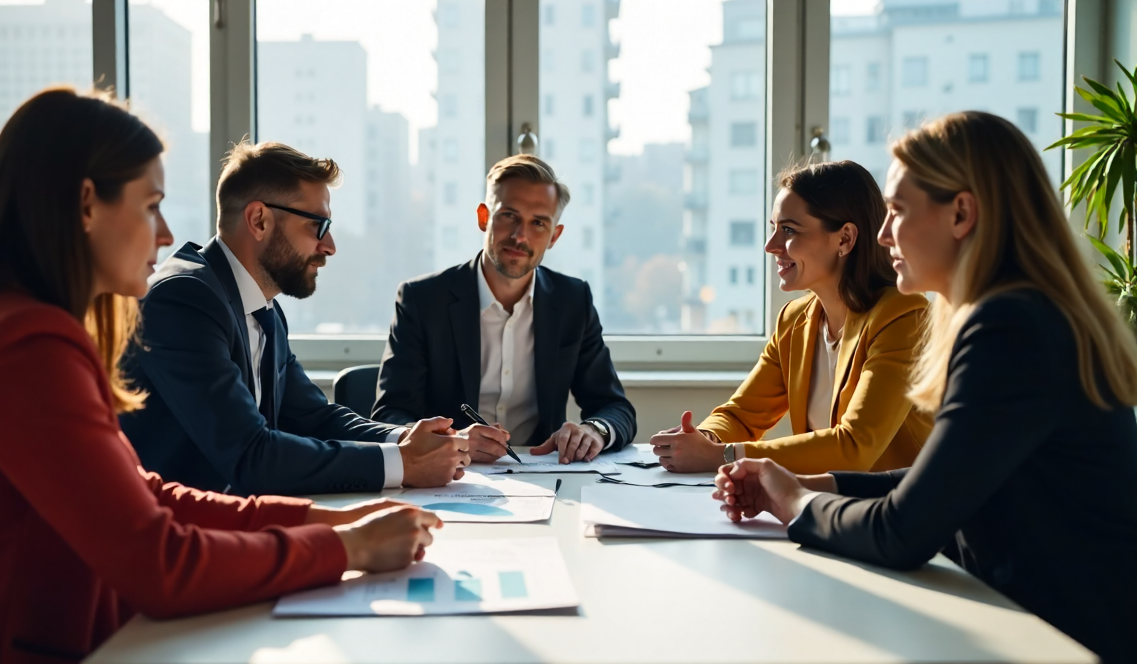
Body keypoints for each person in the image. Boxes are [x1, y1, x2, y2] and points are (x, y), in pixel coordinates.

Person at [0, 89, 441, 664]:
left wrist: (330, 520)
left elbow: (149, 494)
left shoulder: (14, 328)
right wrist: (345, 547)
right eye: (151, 205)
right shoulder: (23, 348)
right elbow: (159, 562)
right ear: (85, 205)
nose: (165, 232)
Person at [715, 112, 1137, 664]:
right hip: (1025, 620)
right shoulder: (1017, 315)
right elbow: (942, 479)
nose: (883, 235)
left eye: (897, 212)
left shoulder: (1010, 329)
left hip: (1067, 642)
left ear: (961, 213)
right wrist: (809, 483)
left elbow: (902, 531)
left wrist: (794, 502)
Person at [119, 140, 470, 495]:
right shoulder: (184, 299)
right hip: (175, 534)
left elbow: (314, 417)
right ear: (259, 220)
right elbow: (250, 455)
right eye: (318, 226)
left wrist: (410, 439)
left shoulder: (262, 306)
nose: (330, 244)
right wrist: (404, 463)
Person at [651, 161, 932, 474]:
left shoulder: (904, 317)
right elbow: (742, 415)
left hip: (902, 512)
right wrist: (703, 438)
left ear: (845, 239)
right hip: (828, 501)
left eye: (788, 230)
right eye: (773, 228)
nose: (770, 246)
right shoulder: (794, 320)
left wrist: (723, 455)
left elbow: (856, 447)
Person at [372, 154, 636, 464]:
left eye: (538, 222)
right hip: (450, 475)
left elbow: (615, 408)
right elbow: (389, 415)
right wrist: (453, 440)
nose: (520, 236)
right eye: (509, 215)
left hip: (544, 473)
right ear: (484, 217)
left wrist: (595, 430)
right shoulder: (421, 300)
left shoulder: (572, 301)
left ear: (554, 236)